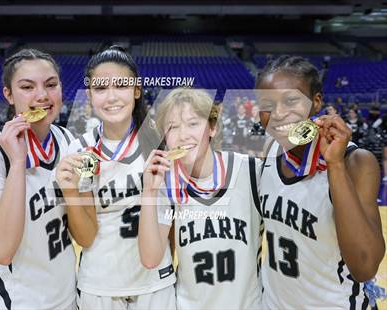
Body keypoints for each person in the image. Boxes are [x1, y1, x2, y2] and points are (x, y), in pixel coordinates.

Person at [255, 55, 385, 308]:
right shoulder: (270, 149)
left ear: (316, 102)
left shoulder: (356, 162)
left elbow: (364, 265)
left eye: (291, 100)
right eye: (267, 104)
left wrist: (335, 166)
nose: (278, 113)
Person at [55, 46, 176, 310]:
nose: (111, 97)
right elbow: (85, 238)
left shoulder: (162, 143)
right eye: (100, 89)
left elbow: (172, 225)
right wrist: (71, 193)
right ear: (89, 95)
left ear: (136, 90)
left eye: (121, 86)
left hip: (156, 282)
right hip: (99, 285)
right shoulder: (79, 150)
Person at [0, 49, 76, 309]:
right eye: (27, 87)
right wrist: (17, 163)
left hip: (67, 296)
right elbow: (1, 250)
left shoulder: (68, 140)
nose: (42, 95)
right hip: (16, 301)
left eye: (51, 85)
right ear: (8, 94)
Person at [138, 88, 263, 309]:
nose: (183, 134)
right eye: (173, 127)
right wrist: (148, 192)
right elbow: (150, 258)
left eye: (193, 123)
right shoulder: (167, 182)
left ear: (212, 128)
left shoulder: (251, 171)